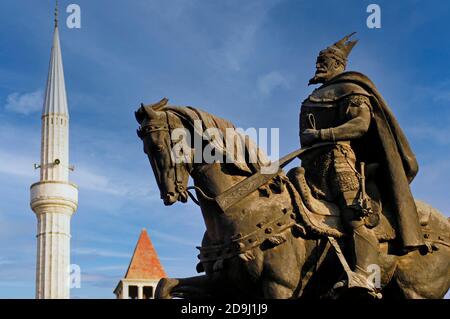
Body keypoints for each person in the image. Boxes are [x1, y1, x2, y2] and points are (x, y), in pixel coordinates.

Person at [298, 32, 425, 294]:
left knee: (355, 214)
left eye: (325, 61)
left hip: (340, 161)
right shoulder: (311, 98)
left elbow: (360, 125)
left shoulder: (351, 88)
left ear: (338, 64)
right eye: (318, 60)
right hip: (310, 165)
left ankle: (365, 275)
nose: (319, 65)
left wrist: (322, 135)